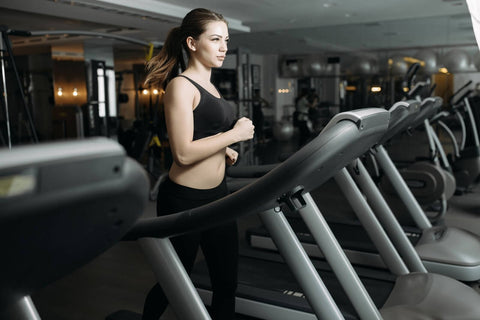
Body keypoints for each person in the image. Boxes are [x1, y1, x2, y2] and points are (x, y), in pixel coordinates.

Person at [141, 8, 255, 320]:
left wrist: (224, 149)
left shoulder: (212, 87)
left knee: (226, 282)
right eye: (215, 39)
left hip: (217, 196)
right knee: (173, 282)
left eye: (226, 40)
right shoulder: (180, 86)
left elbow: (203, 135)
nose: (223, 47)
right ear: (192, 43)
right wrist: (234, 134)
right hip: (183, 201)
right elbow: (184, 154)